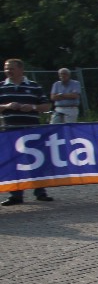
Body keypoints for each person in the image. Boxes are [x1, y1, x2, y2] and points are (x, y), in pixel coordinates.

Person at [1, 58, 53, 206]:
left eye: (11, 68)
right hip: (10, 131)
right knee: (14, 163)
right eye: (6, 68)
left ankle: (40, 192)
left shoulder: (34, 86)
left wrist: (33, 107)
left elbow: (46, 105)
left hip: (32, 130)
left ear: (21, 69)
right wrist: (7, 106)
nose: (8, 71)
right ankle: (16, 195)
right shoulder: (2, 86)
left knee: (36, 161)